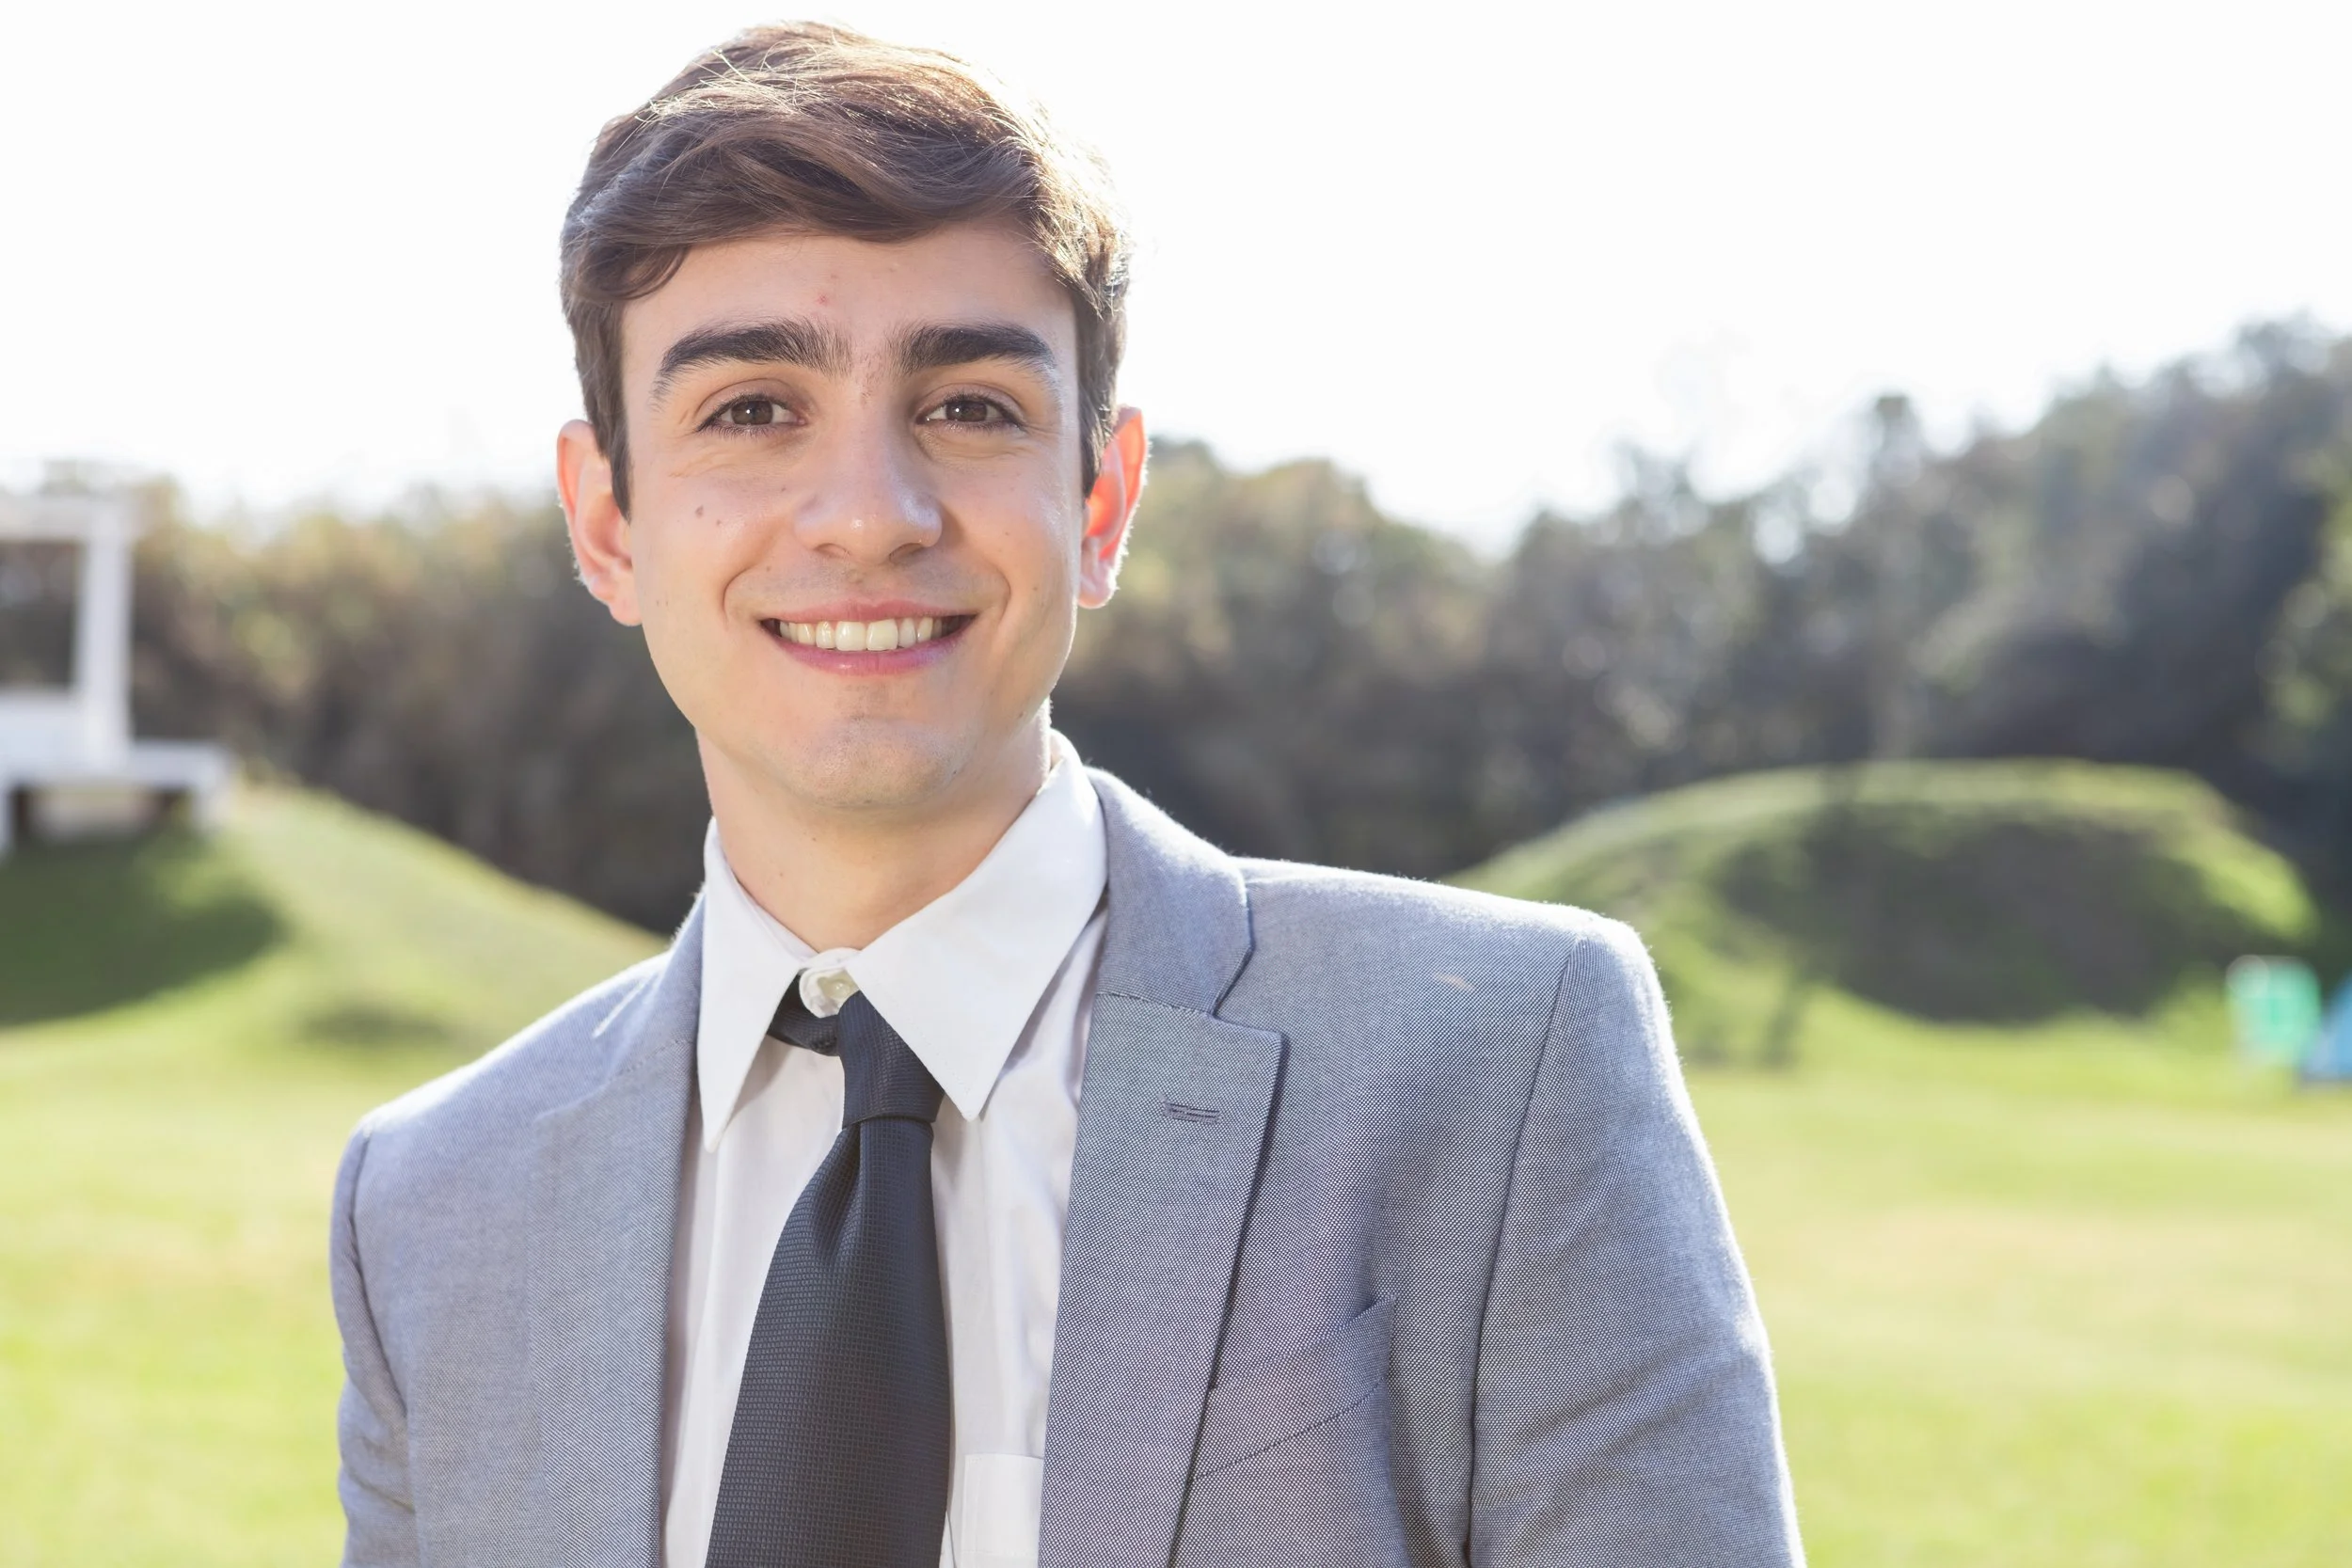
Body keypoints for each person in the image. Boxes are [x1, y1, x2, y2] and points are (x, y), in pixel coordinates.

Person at [328, 22, 1803, 1568]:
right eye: (750, 409)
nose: (870, 516)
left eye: (968, 405)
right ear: (608, 519)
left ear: (1100, 501)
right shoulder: (432, 1207)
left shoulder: (1502, 1068)